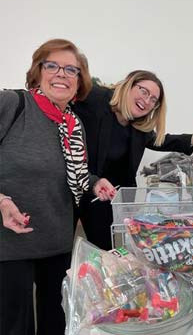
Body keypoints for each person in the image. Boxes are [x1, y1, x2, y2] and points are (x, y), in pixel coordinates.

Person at [0, 39, 115, 335]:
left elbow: (73, 174)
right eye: (52, 66)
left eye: (71, 70)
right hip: (10, 246)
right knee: (15, 327)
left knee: (57, 323)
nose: (61, 74)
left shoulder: (73, 124)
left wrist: (95, 182)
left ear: (79, 83)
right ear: (38, 73)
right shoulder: (13, 104)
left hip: (57, 243)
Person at [72, 70, 193, 250]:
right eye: (144, 91)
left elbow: (159, 141)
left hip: (104, 196)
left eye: (153, 100)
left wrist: (192, 139)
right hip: (73, 188)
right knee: (59, 254)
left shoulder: (138, 127)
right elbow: (69, 91)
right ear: (129, 84)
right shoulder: (97, 98)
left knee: (104, 250)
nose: (147, 100)